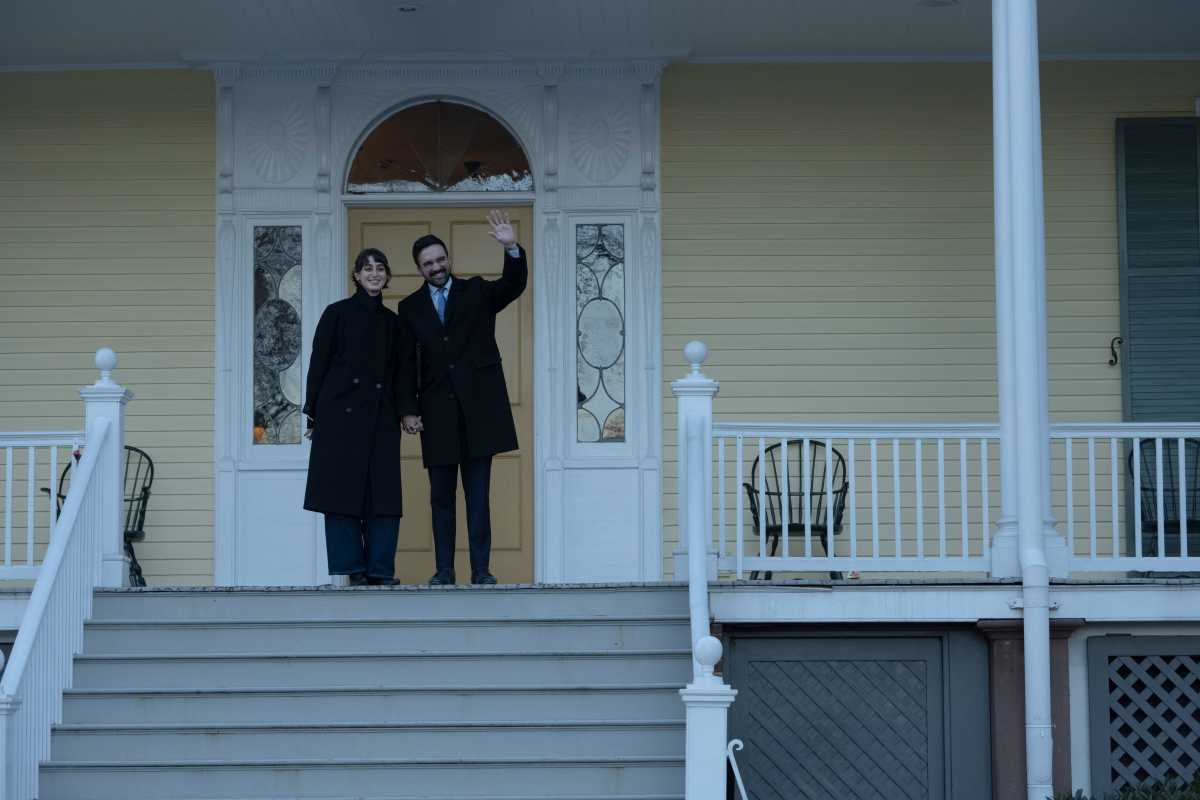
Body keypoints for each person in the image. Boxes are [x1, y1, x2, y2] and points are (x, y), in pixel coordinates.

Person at [397, 210, 527, 585]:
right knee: (441, 499)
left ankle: (481, 571)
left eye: (440, 260)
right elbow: (405, 363)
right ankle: (444, 571)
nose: (436, 267)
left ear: (448, 259)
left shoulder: (477, 291)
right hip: (436, 413)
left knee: (478, 498)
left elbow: (513, 285)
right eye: (428, 263)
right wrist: (408, 408)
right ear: (419, 269)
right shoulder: (409, 308)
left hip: (479, 412)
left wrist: (512, 248)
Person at [303, 248, 406, 586]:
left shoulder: (394, 323)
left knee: (383, 494)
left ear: (387, 276)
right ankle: (353, 568)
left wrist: (407, 410)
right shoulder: (336, 313)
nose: (374, 273)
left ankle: (380, 569)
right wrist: (313, 413)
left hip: (381, 417)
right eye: (367, 268)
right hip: (339, 417)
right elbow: (319, 363)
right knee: (341, 493)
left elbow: (402, 373)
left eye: (380, 268)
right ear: (357, 276)